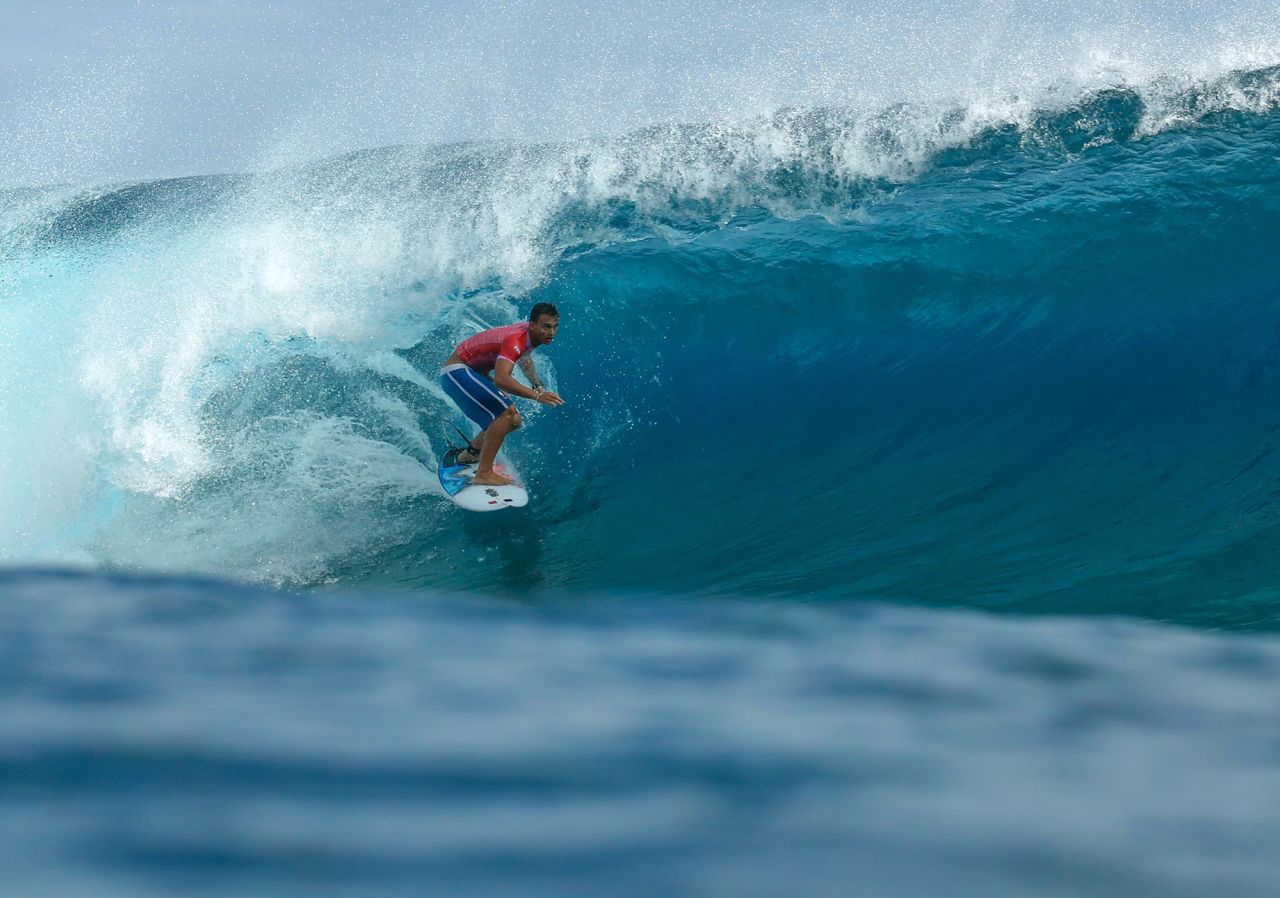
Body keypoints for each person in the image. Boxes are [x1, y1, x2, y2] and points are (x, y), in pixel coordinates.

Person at [440, 303, 565, 486]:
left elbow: (524, 356)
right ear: (532, 324)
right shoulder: (516, 339)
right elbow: (502, 379)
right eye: (546, 327)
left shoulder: (529, 336)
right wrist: (536, 396)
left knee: (513, 420)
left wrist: (537, 385)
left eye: (555, 327)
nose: (551, 332)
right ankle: (483, 474)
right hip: (456, 373)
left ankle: (469, 455)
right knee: (506, 413)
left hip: (473, 374)